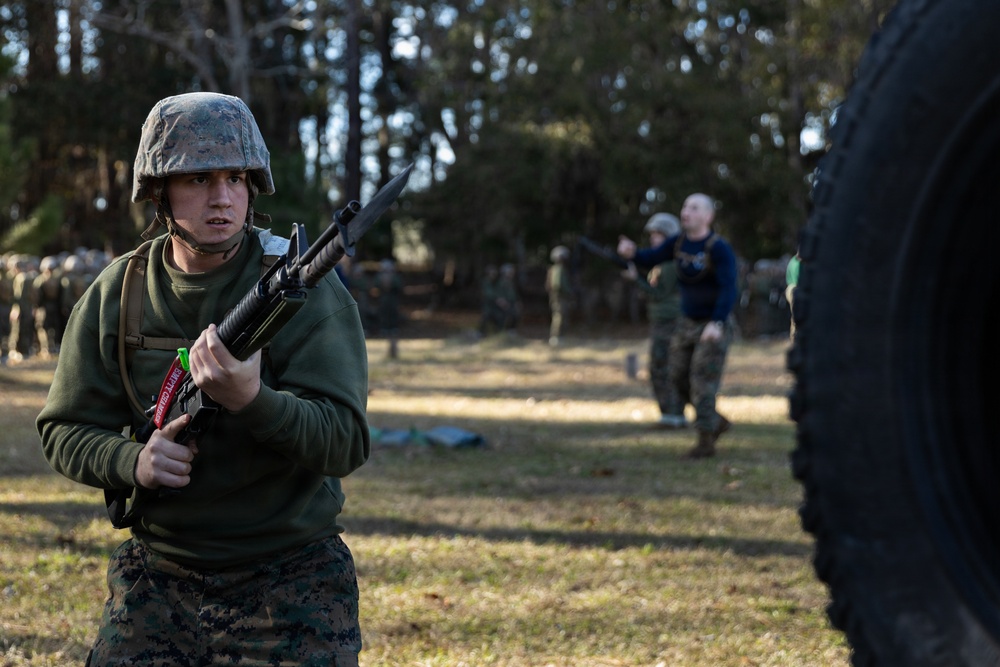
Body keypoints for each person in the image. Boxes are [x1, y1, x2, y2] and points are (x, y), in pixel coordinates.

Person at [36, 92, 370, 665]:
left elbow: (345, 441)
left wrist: (253, 400)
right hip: (160, 573)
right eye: (197, 179)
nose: (222, 198)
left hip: (291, 575)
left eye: (236, 177)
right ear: (160, 192)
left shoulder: (304, 290)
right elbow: (64, 429)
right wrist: (133, 463)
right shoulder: (119, 294)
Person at [618, 193, 738, 458]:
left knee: (702, 381)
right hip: (687, 323)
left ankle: (705, 441)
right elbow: (651, 257)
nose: (686, 211)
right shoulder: (679, 243)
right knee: (676, 376)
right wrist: (632, 253)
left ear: (708, 216)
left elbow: (729, 288)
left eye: (694, 208)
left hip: (712, 325)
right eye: (684, 206)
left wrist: (717, 322)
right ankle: (715, 421)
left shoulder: (717, 248)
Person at [623, 213, 687, 429]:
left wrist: (637, 280)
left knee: (662, 368)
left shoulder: (667, 266)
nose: (653, 240)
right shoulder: (672, 263)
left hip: (668, 322)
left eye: (658, 235)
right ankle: (675, 413)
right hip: (668, 320)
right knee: (671, 367)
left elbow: (657, 294)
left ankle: (671, 414)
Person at [545, 245, 573, 346]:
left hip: (560, 296)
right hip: (559, 297)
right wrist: (568, 292)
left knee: (562, 316)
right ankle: (555, 338)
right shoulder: (558, 269)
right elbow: (557, 285)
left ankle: (560, 337)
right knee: (559, 316)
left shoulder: (558, 269)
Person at [785, 248, 801, 341]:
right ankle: (794, 337)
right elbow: (797, 281)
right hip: (794, 288)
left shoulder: (795, 261)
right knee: (796, 314)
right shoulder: (796, 263)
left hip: (793, 288)